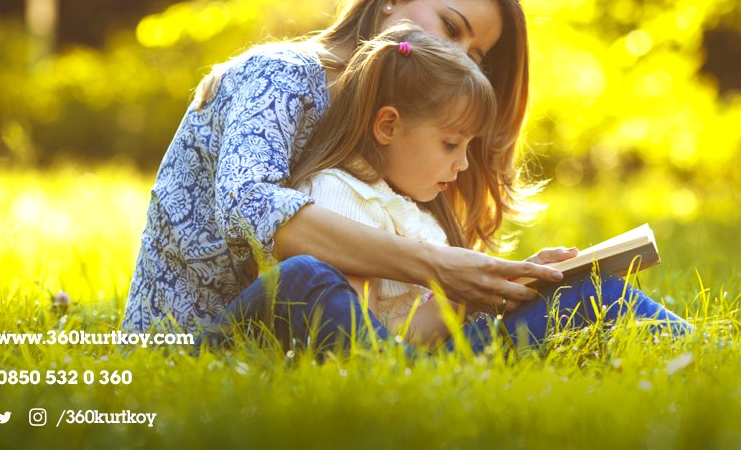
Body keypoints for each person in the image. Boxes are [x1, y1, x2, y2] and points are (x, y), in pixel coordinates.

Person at [122, 0, 572, 336]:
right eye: (451, 28)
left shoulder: (409, 130)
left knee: (582, 295)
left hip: (345, 340)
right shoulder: (280, 74)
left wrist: (504, 282)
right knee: (305, 278)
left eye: (475, 56)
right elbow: (249, 206)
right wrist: (436, 266)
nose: (455, 56)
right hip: (206, 340)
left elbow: (403, 307)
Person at [204, 26, 690, 353]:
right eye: (451, 144)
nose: (462, 164)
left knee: (589, 290)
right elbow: (365, 339)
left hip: (454, 349)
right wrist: (464, 298)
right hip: (416, 364)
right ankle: (706, 352)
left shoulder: (412, 206)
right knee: (589, 299)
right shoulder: (337, 196)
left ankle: (702, 350)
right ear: (388, 126)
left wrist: (510, 283)